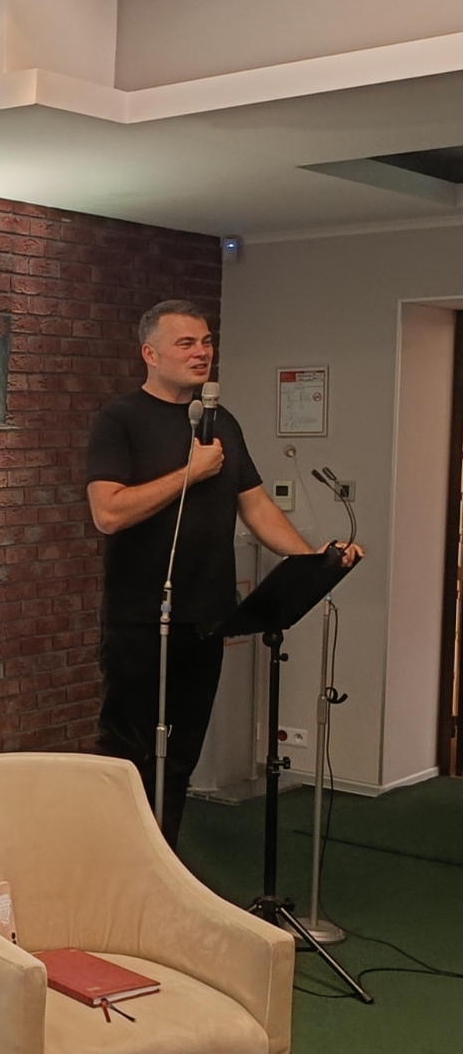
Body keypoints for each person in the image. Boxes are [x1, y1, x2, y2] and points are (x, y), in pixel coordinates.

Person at [86, 301, 361, 846]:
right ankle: (113, 865)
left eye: (207, 341)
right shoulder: (119, 420)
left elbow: (255, 506)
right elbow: (108, 513)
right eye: (186, 343)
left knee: (181, 757)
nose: (202, 352)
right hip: (141, 619)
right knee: (130, 756)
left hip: (207, 617)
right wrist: (189, 472)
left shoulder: (222, 423)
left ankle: (164, 867)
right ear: (150, 354)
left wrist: (312, 561)